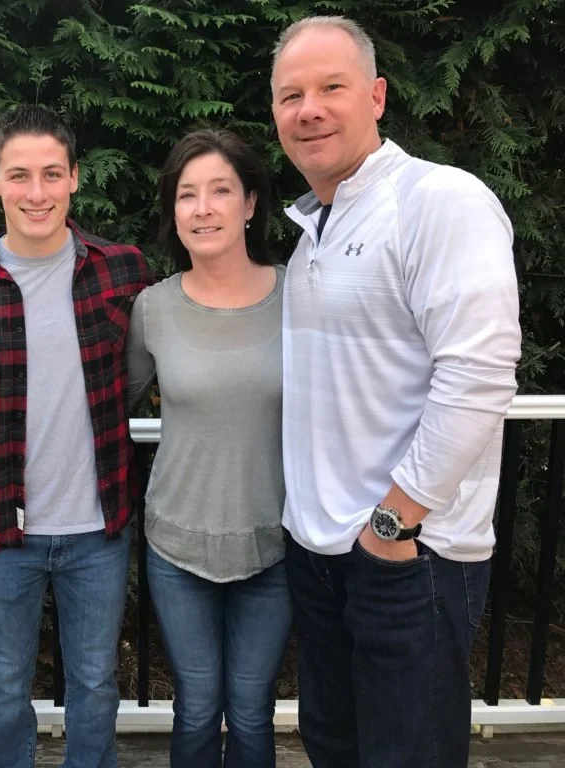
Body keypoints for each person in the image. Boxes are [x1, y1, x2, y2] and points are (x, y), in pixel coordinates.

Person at [271, 15, 522, 768]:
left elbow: (479, 376)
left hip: (410, 557)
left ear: (377, 96)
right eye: (291, 95)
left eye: (332, 87)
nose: (309, 109)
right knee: (335, 747)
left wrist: (392, 525)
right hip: (322, 555)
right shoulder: (311, 232)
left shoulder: (440, 201)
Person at [0, 104, 153, 768]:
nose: (37, 192)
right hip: (2, 533)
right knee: (3, 689)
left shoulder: (122, 270)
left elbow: (135, 378)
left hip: (98, 531)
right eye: (20, 175)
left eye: (52, 174)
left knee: (95, 684)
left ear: (74, 178)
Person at [127, 129, 290, 768]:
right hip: (177, 543)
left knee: (251, 709)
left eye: (220, 190)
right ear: (173, 212)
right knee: (195, 705)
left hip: (275, 542)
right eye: (186, 194)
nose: (202, 208)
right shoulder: (153, 308)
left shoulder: (299, 295)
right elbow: (106, 408)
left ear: (250, 204)